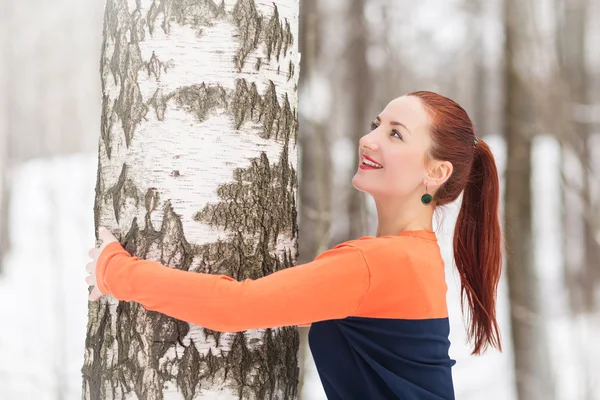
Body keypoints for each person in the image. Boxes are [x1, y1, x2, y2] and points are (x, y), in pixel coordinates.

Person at [85, 91, 503, 400]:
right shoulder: (416, 255)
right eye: (376, 123)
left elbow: (236, 307)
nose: (369, 139)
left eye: (395, 134)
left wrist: (117, 272)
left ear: (436, 171)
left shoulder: (380, 263)